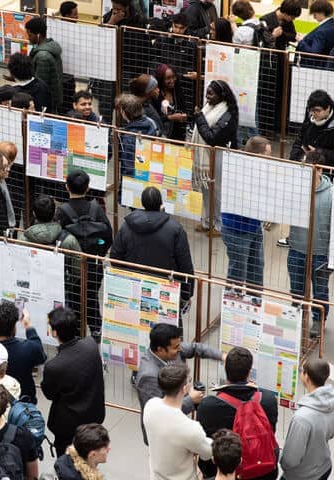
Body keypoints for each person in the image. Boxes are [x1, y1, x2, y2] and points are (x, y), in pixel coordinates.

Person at [196, 347, 278, 480]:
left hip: (224, 471)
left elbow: (204, 443)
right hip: (262, 470)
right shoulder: (268, 399)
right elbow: (271, 432)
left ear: (226, 370)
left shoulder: (208, 405)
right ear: (249, 372)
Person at [135, 323, 222, 444]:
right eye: (175, 347)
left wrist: (222, 356)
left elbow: (195, 348)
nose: (180, 349)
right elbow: (159, 414)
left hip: (176, 423)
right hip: (162, 437)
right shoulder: (149, 376)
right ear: (160, 349)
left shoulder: (173, 351)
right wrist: (191, 400)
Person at [111, 187, 195, 307]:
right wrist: (186, 294)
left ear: (142, 203)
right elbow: (185, 265)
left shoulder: (126, 227)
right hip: (166, 290)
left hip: (134, 287)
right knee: (167, 325)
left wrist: (127, 275)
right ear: (161, 204)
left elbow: (115, 256)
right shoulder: (176, 229)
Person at [55, 169, 113, 338]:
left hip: (71, 269)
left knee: (73, 299)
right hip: (94, 267)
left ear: (67, 187)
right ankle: (96, 329)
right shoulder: (96, 209)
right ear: (88, 188)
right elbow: (108, 237)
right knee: (90, 295)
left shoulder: (62, 212)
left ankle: (76, 335)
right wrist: (98, 253)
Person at [41, 307, 105, 456]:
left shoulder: (54, 366)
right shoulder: (91, 346)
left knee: (67, 464)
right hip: (93, 419)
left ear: (55, 332)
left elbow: (49, 394)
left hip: (68, 427)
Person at [143, 364, 213, 479]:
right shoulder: (191, 428)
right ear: (184, 388)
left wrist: (190, 399)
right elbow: (207, 453)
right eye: (189, 380)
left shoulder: (150, 406)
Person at [286, 163, 331, 337]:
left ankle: (319, 320)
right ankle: (296, 313)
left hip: (321, 252)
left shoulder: (331, 193)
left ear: (320, 170)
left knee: (320, 290)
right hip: (297, 247)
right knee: (296, 287)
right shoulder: (296, 189)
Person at [280, 358, 334, 480]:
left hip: (302, 475)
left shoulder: (302, 418)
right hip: (324, 465)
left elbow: (290, 460)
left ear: (306, 377)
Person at [192, 80, 238, 233]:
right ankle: (207, 220)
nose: (207, 97)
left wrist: (199, 118)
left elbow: (212, 139)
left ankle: (219, 225)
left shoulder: (227, 114)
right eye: (207, 93)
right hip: (206, 155)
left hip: (219, 155)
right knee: (206, 188)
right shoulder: (209, 108)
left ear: (221, 96)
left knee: (217, 190)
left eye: (211, 94)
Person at [221, 136, 267, 289]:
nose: (271, 159)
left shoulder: (260, 170)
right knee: (237, 273)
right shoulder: (238, 171)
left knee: (257, 269)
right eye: (267, 154)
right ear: (258, 155)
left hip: (254, 227)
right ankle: (232, 306)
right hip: (237, 229)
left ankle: (254, 303)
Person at [0, 301, 46, 404]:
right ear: (14, 327)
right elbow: (41, 356)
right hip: (24, 409)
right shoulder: (28, 349)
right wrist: (28, 326)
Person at [289, 90, 334, 171]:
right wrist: (294, 161)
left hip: (328, 173)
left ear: (328, 108)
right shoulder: (310, 117)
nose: (313, 114)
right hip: (305, 166)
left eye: (317, 110)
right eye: (311, 110)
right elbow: (299, 141)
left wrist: (319, 153)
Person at [25, 17, 63, 112]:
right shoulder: (51, 47)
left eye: (29, 35)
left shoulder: (42, 56)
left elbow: (40, 85)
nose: (28, 38)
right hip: (53, 99)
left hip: (45, 104)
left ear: (38, 35)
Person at [153, 64, 188, 141]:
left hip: (177, 136)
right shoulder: (156, 95)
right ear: (161, 79)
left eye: (173, 77)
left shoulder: (178, 91)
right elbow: (153, 119)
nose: (172, 80)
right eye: (168, 78)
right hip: (160, 137)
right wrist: (170, 117)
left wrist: (183, 116)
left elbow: (184, 109)